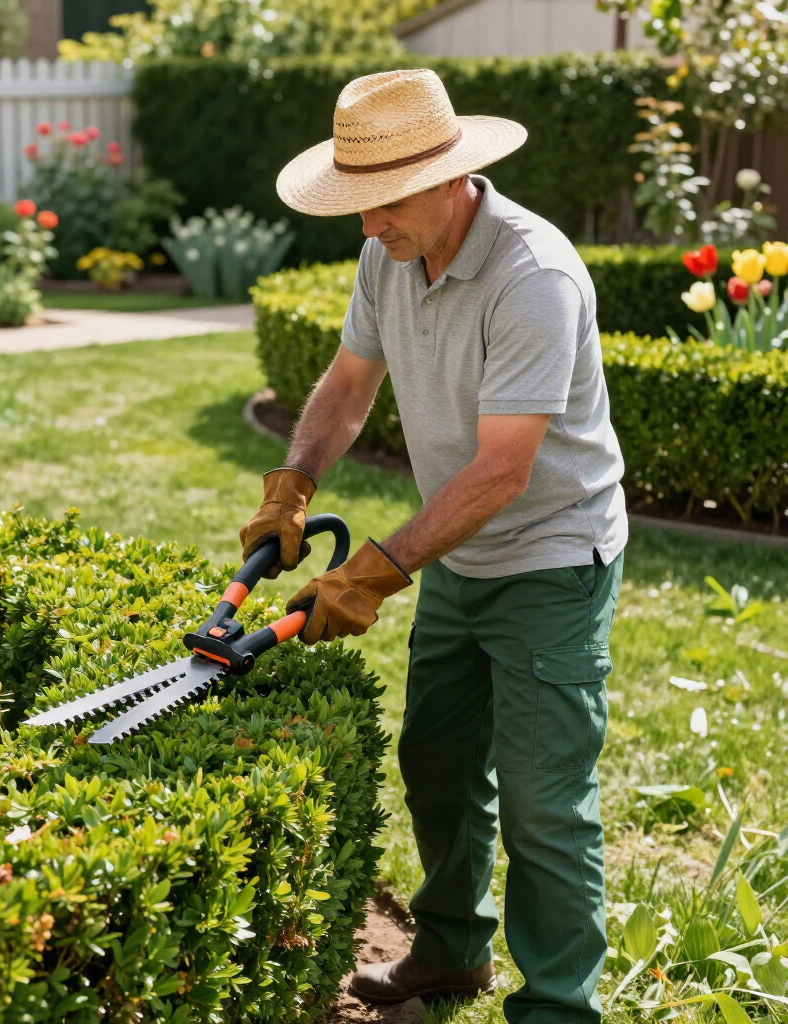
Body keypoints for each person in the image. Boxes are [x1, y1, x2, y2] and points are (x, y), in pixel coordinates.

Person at [239, 69, 627, 1024]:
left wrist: (372, 571)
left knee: (544, 802)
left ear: (453, 176)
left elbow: (503, 472)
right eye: (358, 205)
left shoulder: (531, 275)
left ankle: (559, 1008)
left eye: (386, 203)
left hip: (550, 554)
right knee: (439, 761)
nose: (368, 227)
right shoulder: (390, 255)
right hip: (460, 556)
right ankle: (452, 949)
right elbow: (346, 383)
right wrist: (292, 483)